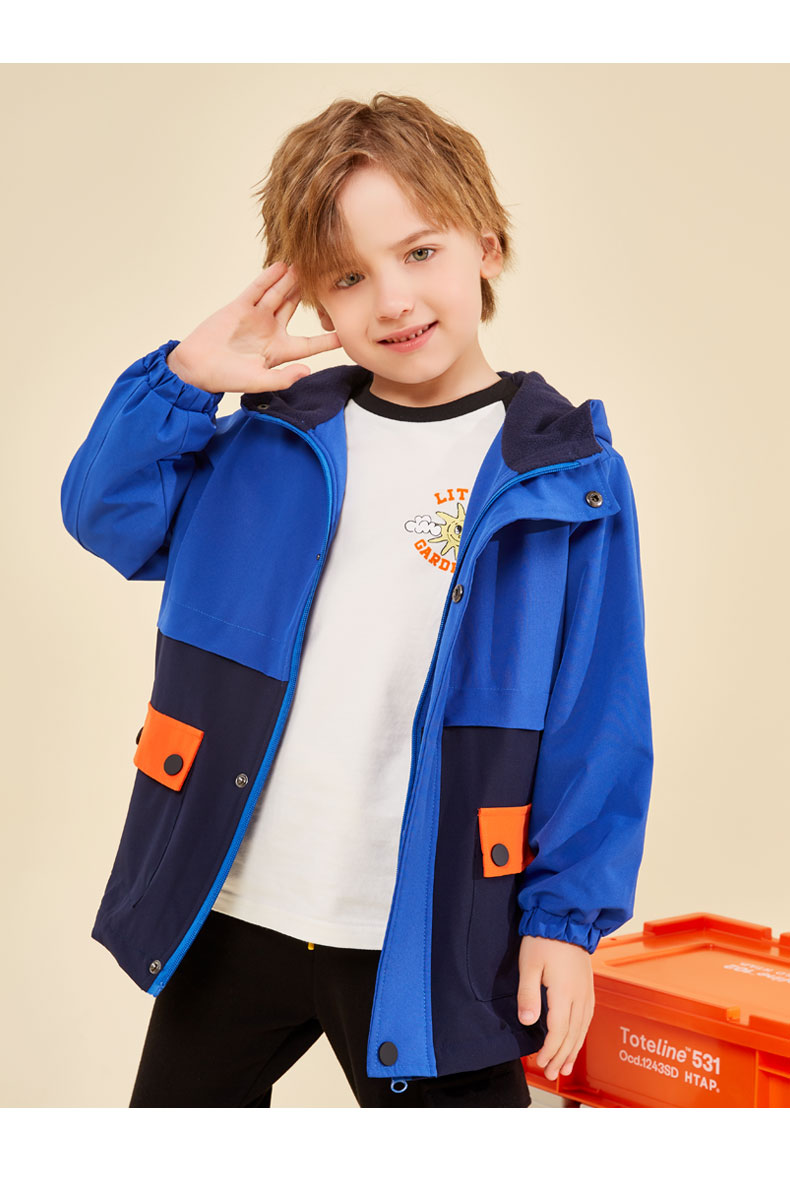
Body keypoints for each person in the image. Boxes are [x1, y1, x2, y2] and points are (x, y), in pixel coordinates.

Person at [60, 92, 653, 1107]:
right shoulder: (266, 442)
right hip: (235, 904)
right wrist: (184, 380)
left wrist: (564, 922)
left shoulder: (568, 478)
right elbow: (105, 515)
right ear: (314, 303)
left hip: (431, 931)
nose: (392, 300)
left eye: (419, 252)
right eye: (347, 276)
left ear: (486, 245)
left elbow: (597, 716)